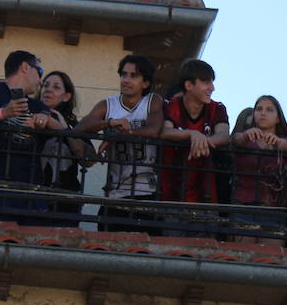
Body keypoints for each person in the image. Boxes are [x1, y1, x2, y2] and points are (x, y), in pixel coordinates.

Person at [0, 50, 61, 223]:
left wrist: (47, 120)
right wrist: (4, 113)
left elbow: (64, 133)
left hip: (31, 191)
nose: (40, 81)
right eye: (40, 72)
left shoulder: (38, 105)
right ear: (25, 67)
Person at [75, 54, 164, 233]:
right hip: (115, 193)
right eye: (123, 74)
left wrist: (122, 134)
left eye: (134, 75)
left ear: (145, 83)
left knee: (145, 245)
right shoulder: (108, 104)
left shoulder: (152, 101)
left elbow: (154, 130)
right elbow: (80, 127)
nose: (126, 80)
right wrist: (110, 123)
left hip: (146, 191)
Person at [159, 60, 230, 232]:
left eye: (212, 82)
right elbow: (165, 132)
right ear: (189, 85)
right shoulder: (170, 105)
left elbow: (224, 136)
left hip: (207, 197)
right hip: (172, 195)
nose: (212, 88)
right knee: (171, 246)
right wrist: (192, 134)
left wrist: (201, 140)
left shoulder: (217, 108)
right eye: (206, 82)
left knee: (205, 246)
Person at [229, 95, 287, 243]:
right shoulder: (244, 137)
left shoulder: (286, 140)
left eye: (269, 110)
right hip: (243, 206)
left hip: (273, 209)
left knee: (271, 253)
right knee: (240, 252)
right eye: (259, 109)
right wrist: (246, 136)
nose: (263, 113)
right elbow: (236, 140)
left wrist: (278, 142)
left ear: (278, 118)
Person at [38, 70, 90, 222]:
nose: (48, 90)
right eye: (45, 85)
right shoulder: (29, 119)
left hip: (65, 200)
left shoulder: (75, 126)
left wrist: (63, 129)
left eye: (56, 87)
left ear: (66, 96)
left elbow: (89, 160)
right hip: (33, 196)